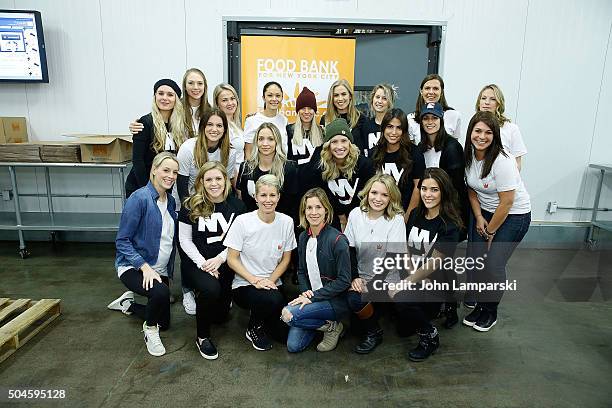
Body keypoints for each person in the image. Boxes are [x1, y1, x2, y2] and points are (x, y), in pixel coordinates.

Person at [463, 111, 531, 332]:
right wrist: (480, 217)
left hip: (514, 215)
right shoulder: (469, 156)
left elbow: (507, 202)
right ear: (470, 132)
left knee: (493, 263)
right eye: (478, 131)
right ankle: (481, 306)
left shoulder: (502, 161)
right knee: (480, 262)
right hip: (487, 212)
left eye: (488, 132)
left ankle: (490, 311)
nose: (482, 136)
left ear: (495, 136)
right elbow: (471, 190)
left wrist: (490, 232)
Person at [108, 152, 179, 357]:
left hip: (159, 268)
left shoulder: (171, 200)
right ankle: (149, 331)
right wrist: (144, 267)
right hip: (133, 266)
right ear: (153, 170)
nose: (171, 176)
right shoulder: (139, 199)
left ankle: (127, 304)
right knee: (160, 294)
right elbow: (122, 241)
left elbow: (167, 240)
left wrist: (167, 275)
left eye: (174, 172)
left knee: (164, 321)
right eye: (166, 170)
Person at [391, 168, 464, 361]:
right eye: (424, 188)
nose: (428, 194)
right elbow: (405, 247)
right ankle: (442, 307)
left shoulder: (450, 224)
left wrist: (406, 283)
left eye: (434, 190)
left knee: (401, 298)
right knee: (403, 328)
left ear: (444, 191)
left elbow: (434, 263)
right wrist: (407, 273)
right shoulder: (415, 214)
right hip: (414, 273)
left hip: (436, 280)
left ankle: (430, 335)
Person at [178, 162, 246, 359]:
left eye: (218, 178)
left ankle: (216, 303)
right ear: (201, 182)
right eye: (208, 179)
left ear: (226, 181)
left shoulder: (237, 206)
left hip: (224, 262)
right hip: (197, 263)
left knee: (221, 316)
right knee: (210, 289)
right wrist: (203, 264)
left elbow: (239, 241)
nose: (214, 183)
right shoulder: (190, 205)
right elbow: (184, 240)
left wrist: (219, 259)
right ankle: (202, 337)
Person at [225, 174, 297, 351]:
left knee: (284, 335)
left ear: (279, 197)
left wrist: (270, 281)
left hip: (272, 283)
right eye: (263, 195)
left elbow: (286, 259)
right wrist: (255, 280)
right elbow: (231, 259)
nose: (268, 200)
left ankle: (264, 317)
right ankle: (253, 327)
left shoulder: (286, 222)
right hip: (245, 284)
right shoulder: (243, 222)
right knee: (273, 300)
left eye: (272, 195)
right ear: (255, 197)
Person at [281, 188, 351, 352]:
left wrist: (314, 297)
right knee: (293, 346)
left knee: (288, 314)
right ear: (303, 212)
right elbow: (301, 271)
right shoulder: (303, 237)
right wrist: (306, 293)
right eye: (309, 208)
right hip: (312, 298)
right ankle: (328, 326)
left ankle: (332, 323)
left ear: (326, 210)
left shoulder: (338, 240)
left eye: (318, 207)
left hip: (333, 301)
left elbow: (344, 280)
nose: (313, 212)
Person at [344, 174, 406, 354]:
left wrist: (374, 283)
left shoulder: (396, 220)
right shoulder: (356, 214)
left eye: (384, 195)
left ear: (391, 198)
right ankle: (373, 327)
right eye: (374, 193)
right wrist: (355, 277)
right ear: (367, 193)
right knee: (354, 303)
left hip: (388, 279)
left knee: (404, 327)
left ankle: (378, 324)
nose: (378, 199)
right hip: (362, 276)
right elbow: (349, 249)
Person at [125, 79, 188, 198]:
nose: (165, 98)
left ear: (176, 99)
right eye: (160, 93)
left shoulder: (179, 126)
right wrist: (148, 191)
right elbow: (138, 161)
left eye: (170, 95)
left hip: (166, 186)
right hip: (142, 186)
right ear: (155, 96)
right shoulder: (145, 123)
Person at [309, 118, 375, 231]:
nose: (340, 146)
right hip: (331, 217)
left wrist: (351, 218)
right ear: (328, 145)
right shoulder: (320, 168)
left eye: (344, 141)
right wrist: (341, 216)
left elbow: (367, 195)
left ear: (350, 143)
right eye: (334, 142)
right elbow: (323, 196)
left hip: (360, 216)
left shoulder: (365, 165)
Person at [237, 122, 298, 219]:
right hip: (252, 227)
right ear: (256, 142)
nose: (265, 144)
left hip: (280, 226)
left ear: (277, 142)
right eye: (261, 139)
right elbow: (241, 202)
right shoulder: (245, 168)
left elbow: (293, 205)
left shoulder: (289, 168)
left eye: (270, 139)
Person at [371, 108, 425, 217]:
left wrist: (408, 216)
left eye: (399, 128)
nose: (394, 132)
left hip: (404, 213)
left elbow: (418, 187)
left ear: (404, 131)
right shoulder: (374, 153)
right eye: (390, 127)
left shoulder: (414, 153)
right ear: (383, 128)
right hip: (378, 214)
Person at [176, 107, 237, 204]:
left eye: (219, 125)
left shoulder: (230, 152)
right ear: (203, 127)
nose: (214, 129)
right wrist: (188, 210)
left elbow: (226, 185)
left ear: (225, 129)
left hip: (215, 203)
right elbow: (181, 185)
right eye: (210, 124)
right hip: (190, 202)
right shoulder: (187, 148)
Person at [129, 69, 210, 139]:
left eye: (200, 83)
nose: (195, 87)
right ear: (184, 86)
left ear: (205, 86)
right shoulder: (175, 107)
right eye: (191, 83)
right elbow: (157, 119)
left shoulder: (210, 111)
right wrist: (138, 126)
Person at [476, 84, 527, 170]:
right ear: (479, 103)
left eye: (492, 99)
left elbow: (517, 163)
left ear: (499, 104)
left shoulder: (511, 129)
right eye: (483, 98)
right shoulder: (473, 127)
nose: (487, 102)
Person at [408, 74, 462, 145]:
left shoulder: (454, 115)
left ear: (441, 92)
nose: (431, 92)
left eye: (435, 88)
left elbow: (454, 145)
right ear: (421, 91)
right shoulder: (411, 118)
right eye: (427, 88)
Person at [321, 79, 368, 156]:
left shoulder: (361, 119)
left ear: (350, 96)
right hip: (333, 166)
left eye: (343, 94)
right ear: (332, 98)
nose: (340, 99)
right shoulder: (325, 119)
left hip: (357, 165)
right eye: (336, 95)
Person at [243, 81, 288, 159]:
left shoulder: (284, 120)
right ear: (263, 98)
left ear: (282, 98)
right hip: (258, 168)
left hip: (281, 168)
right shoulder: (252, 120)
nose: (274, 99)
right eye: (270, 95)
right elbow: (248, 152)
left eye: (278, 96)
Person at [286, 87, 324, 170]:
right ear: (298, 111)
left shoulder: (322, 132)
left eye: (310, 108)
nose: (306, 112)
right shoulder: (289, 131)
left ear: (314, 111)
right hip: (295, 180)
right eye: (303, 108)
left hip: (316, 181)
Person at [213, 83, 245, 177]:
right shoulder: (220, 127)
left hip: (241, 178)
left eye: (232, 98)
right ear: (217, 104)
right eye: (224, 100)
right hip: (231, 181)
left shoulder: (236, 124)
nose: (230, 103)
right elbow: (226, 162)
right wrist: (238, 189)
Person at [364, 83, 396, 155]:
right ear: (372, 99)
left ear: (390, 102)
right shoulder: (366, 126)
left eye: (384, 98)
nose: (379, 101)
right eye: (377, 97)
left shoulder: (395, 125)